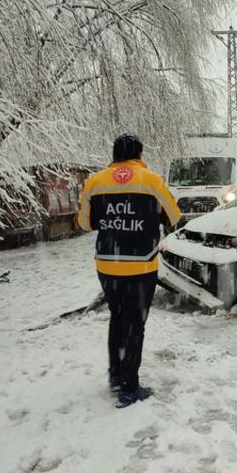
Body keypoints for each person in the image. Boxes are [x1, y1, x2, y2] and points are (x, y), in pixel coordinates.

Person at [77, 134, 181, 408]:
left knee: (117, 317)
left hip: (107, 265)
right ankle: (129, 388)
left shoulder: (95, 182)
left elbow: (85, 223)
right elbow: (174, 217)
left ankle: (115, 375)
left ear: (114, 155)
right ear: (139, 154)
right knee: (135, 324)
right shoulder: (152, 181)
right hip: (140, 265)